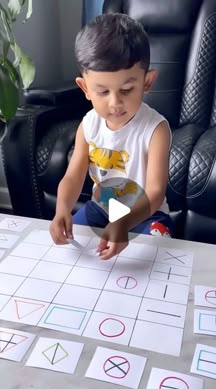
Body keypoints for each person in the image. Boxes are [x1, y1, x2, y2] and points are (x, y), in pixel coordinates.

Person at [49, 13, 172, 260]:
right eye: (102, 91)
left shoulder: (156, 129)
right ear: (85, 88)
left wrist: (124, 223)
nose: (115, 103)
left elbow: (156, 192)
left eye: (127, 90)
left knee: (161, 253)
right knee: (70, 249)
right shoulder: (89, 125)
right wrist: (61, 209)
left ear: (147, 82)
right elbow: (73, 177)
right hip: (101, 208)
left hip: (146, 213)